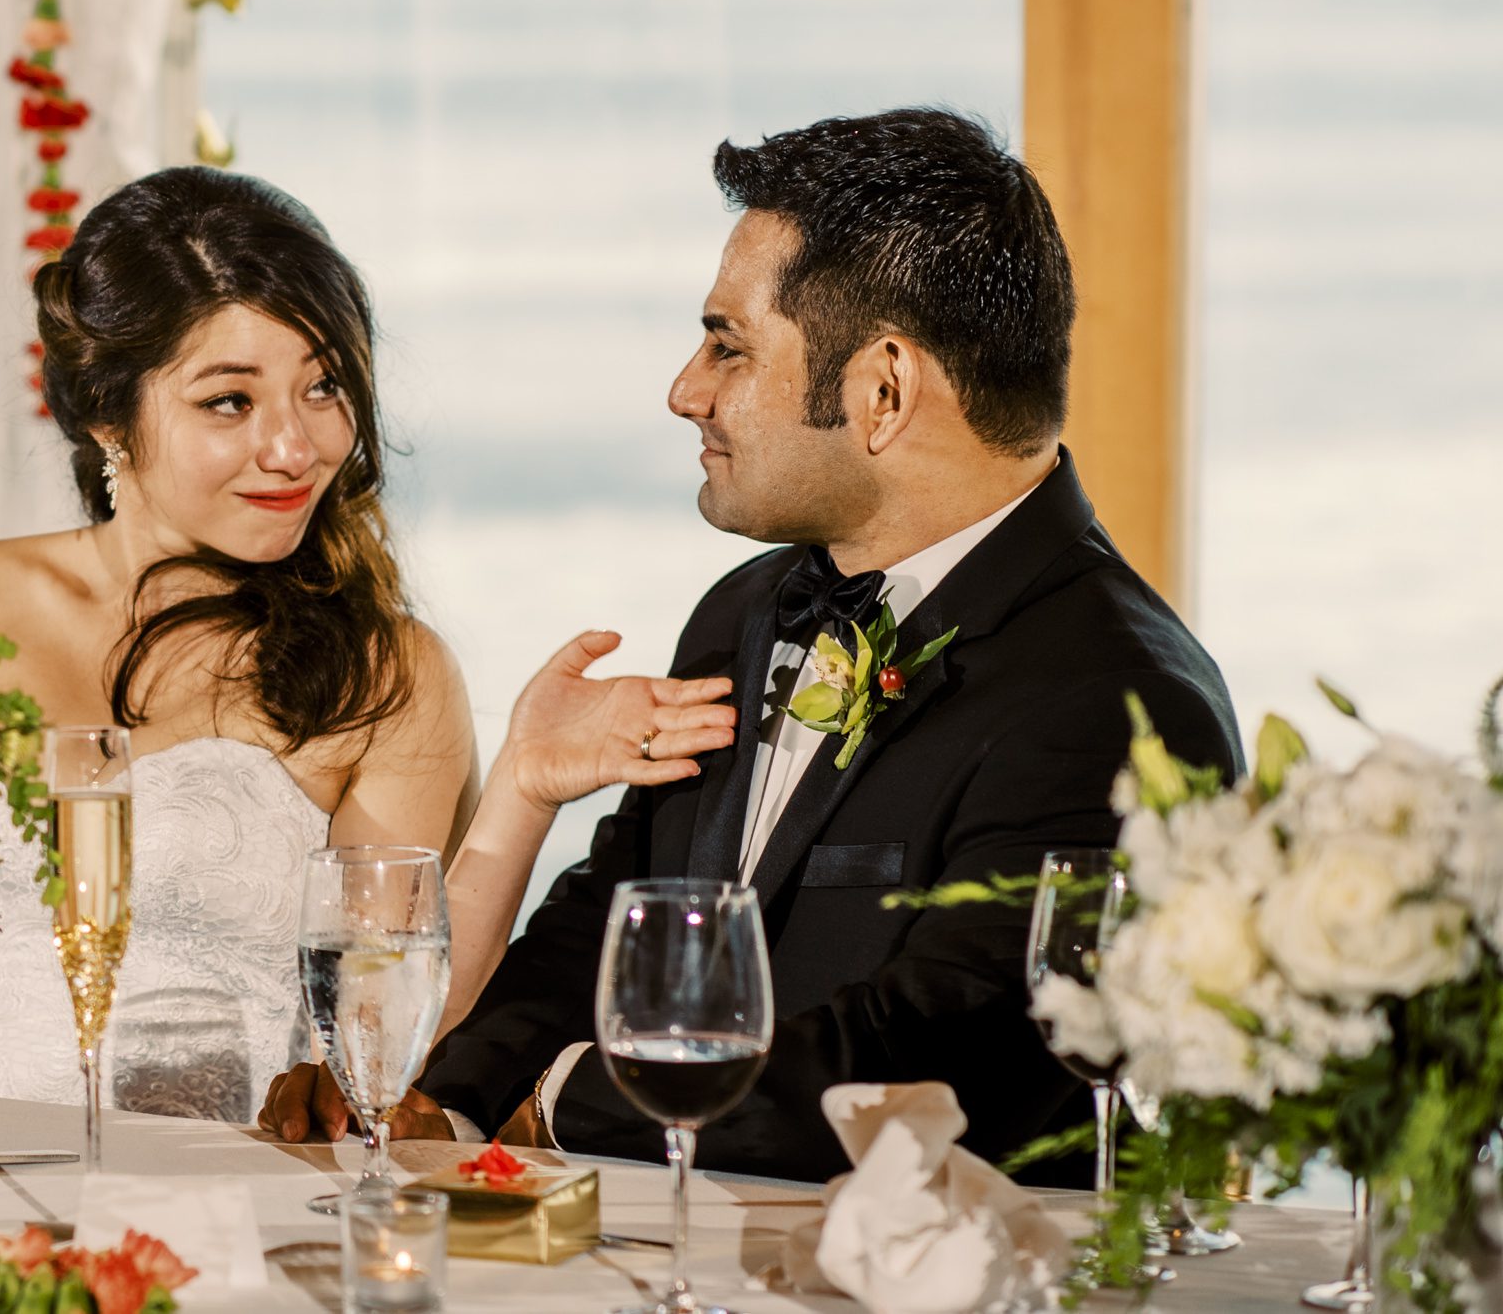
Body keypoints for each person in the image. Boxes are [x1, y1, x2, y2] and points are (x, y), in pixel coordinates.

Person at [259, 109, 1242, 1182]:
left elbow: (930, 1067)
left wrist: (561, 1098)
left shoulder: (1118, 702)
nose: (686, 390)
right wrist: (443, 1102)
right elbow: (612, 913)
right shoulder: (744, 612)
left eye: (727, 345)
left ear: (881, 390)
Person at [0, 167, 733, 1121]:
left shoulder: (384, 671)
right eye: (229, 401)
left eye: (323, 387)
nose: (294, 447)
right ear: (109, 413)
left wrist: (523, 785)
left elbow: (381, 1028)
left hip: (241, 1206)